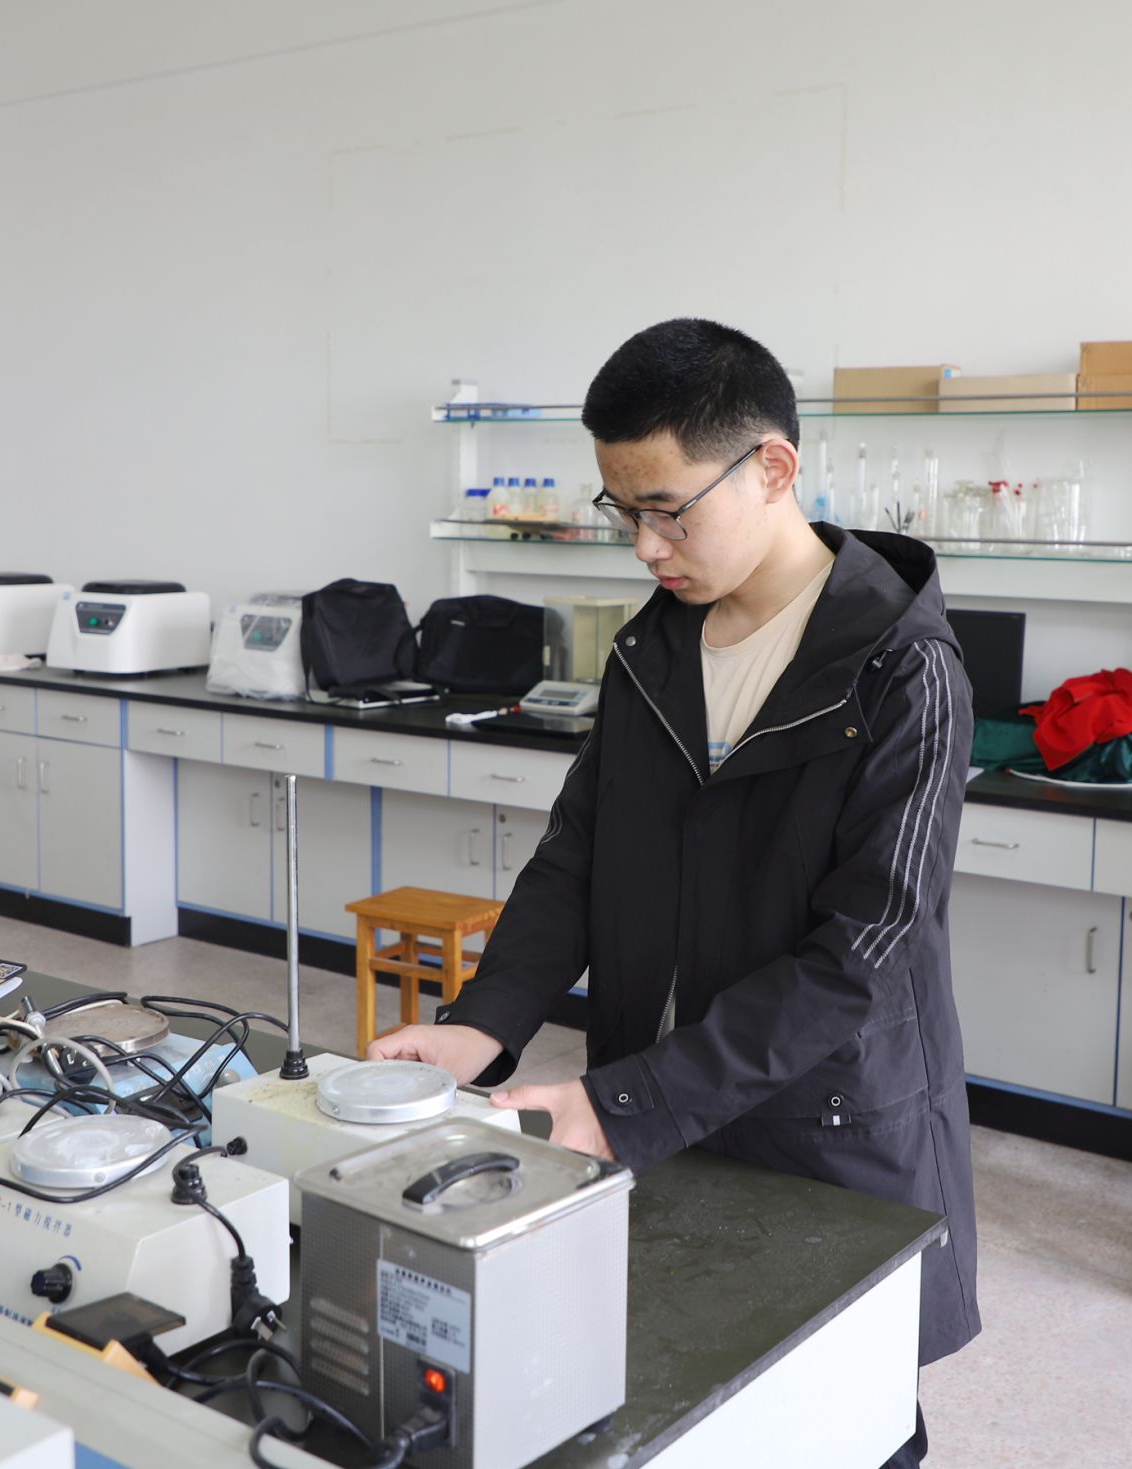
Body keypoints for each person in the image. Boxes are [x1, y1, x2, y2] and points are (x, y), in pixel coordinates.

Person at [370, 317, 979, 1466]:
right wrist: (482, 1023)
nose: (645, 546)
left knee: (838, 1419)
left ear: (772, 468)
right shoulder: (652, 649)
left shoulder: (903, 667)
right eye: (622, 512)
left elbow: (861, 954)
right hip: (656, 1107)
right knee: (674, 1403)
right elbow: (578, 854)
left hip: (820, 1131)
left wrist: (626, 1101)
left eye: (666, 510)